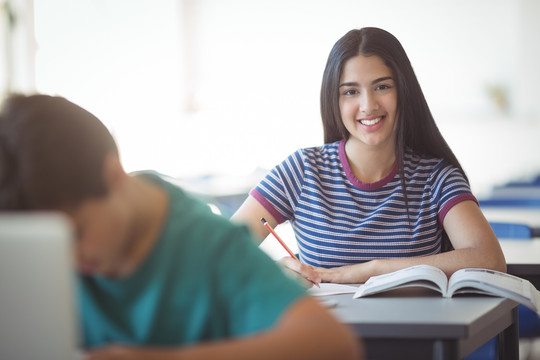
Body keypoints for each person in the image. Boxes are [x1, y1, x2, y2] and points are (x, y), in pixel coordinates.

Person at [0, 94, 361, 360]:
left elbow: (335, 345)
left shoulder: (208, 244)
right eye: (43, 245)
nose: (66, 261)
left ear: (113, 177)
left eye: (76, 235)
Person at [231, 27, 506, 286]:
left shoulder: (437, 177)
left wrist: (370, 269)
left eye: (382, 87)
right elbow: (217, 254)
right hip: (324, 335)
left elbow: (489, 259)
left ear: (403, 91)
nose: (368, 105)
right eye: (351, 91)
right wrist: (271, 273)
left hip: (413, 334)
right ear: (334, 101)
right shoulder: (302, 171)